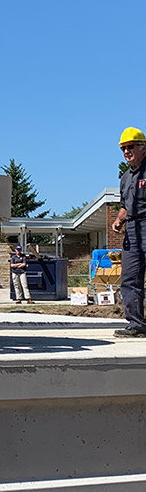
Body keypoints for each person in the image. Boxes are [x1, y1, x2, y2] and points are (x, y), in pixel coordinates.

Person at [111, 127, 146, 338]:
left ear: (143, 147)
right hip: (132, 230)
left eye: (130, 146)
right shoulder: (125, 178)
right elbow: (125, 205)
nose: (126, 151)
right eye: (123, 148)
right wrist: (118, 219)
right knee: (130, 278)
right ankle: (136, 324)